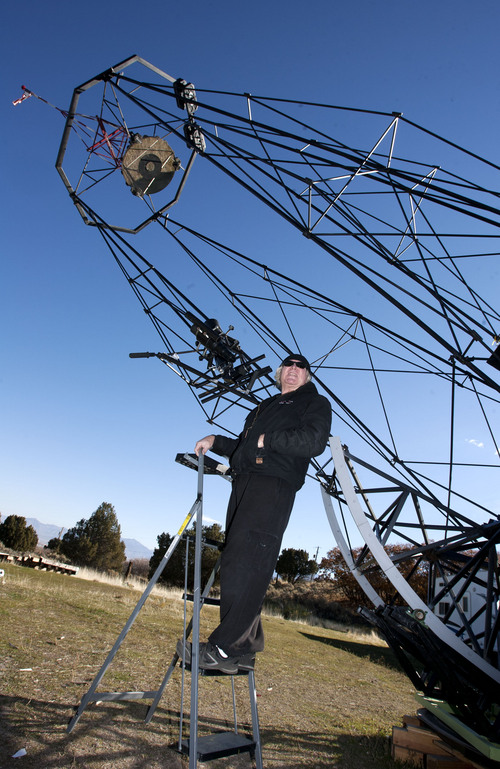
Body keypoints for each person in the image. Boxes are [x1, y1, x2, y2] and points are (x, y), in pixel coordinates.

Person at [179, 353, 332, 674]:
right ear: (279, 373)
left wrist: (267, 440)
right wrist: (215, 440)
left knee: (250, 559)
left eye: (300, 368)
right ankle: (242, 651)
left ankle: (226, 647)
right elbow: (245, 448)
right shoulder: (264, 406)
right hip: (244, 482)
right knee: (238, 560)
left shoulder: (314, 403)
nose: (293, 371)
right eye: (288, 366)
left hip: (273, 483)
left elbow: (314, 441)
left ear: (307, 376)